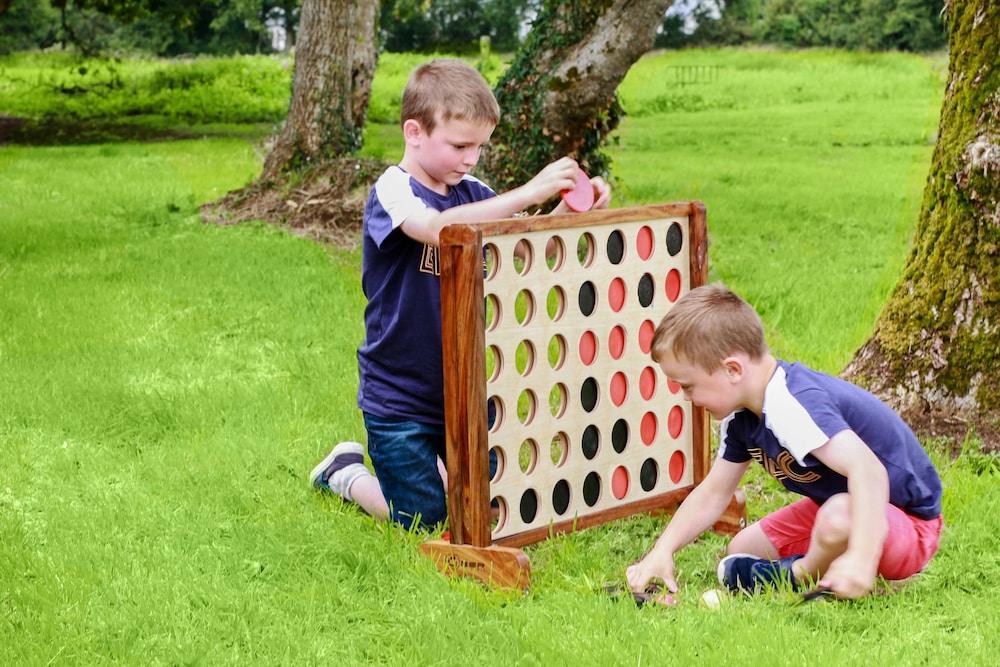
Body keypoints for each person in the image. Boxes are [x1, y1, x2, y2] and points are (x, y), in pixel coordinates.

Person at [310, 59, 610, 530]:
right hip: (399, 395)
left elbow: (530, 246)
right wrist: (529, 190)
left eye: (479, 147)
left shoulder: (472, 192)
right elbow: (433, 229)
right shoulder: (394, 190)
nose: (471, 159)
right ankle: (345, 474)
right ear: (414, 132)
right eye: (460, 146)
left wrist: (572, 210)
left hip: (468, 387)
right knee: (422, 523)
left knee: (490, 509)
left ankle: (441, 472)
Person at [626, 284, 942, 600]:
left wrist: (861, 558)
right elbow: (713, 494)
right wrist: (662, 551)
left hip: (908, 524)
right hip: (841, 505)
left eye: (689, 386)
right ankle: (825, 560)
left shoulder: (793, 404)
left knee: (838, 517)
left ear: (732, 369)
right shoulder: (741, 418)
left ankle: (801, 573)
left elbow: (869, 470)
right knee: (743, 547)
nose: (686, 397)